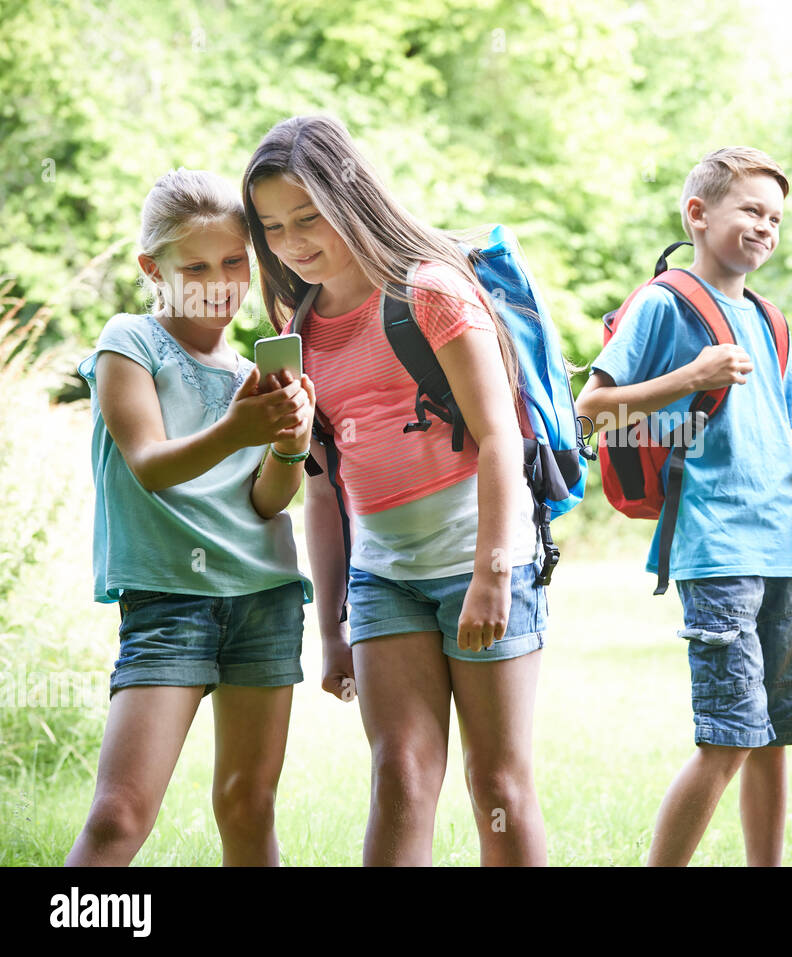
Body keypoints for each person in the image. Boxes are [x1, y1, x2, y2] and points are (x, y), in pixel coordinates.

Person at [242, 115, 546, 866]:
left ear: (351, 197)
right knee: (401, 775)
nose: (292, 242)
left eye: (308, 217)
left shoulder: (432, 292)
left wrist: (491, 572)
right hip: (385, 578)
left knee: (498, 784)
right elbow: (321, 490)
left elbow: (501, 435)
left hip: (482, 560)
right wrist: (333, 625)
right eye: (273, 227)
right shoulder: (298, 327)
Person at [576, 147, 792, 866]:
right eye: (750, 209)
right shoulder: (661, 304)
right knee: (727, 736)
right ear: (698, 213)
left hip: (783, 550)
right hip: (716, 551)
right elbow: (590, 412)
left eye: (775, 217)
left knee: (773, 736)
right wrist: (690, 375)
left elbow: (773, 438)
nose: (765, 227)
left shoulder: (773, 321)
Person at [68, 168, 315, 866]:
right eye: (196, 265)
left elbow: (267, 501)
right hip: (170, 600)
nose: (220, 281)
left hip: (264, 597)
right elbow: (149, 462)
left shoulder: (251, 374)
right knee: (119, 815)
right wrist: (240, 428)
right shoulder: (130, 342)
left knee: (247, 804)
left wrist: (291, 444)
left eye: (235, 261)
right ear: (154, 268)